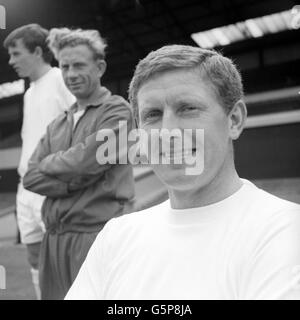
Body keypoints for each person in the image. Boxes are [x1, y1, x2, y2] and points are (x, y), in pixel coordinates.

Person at [65, 45, 300, 300]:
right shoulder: (116, 236)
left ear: (234, 120)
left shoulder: (284, 231)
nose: (167, 132)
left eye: (188, 108)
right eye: (152, 114)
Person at [22, 28, 135, 300]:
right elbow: (30, 177)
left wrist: (57, 167)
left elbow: (86, 162)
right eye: (65, 66)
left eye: (79, 65)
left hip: (95, 235)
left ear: (100, 67)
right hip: (54, 238)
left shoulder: (117, 111)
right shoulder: (57, 123)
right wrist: (77, 178)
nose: (71, 74)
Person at [3, 24, 75, 299]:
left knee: (61, 260)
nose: (11, 61)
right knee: (34, 256)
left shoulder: (61, 78)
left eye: (15, 53)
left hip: (51, 186)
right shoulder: (30, 92)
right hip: (25, 187)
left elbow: (82, 123)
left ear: (36, 51)